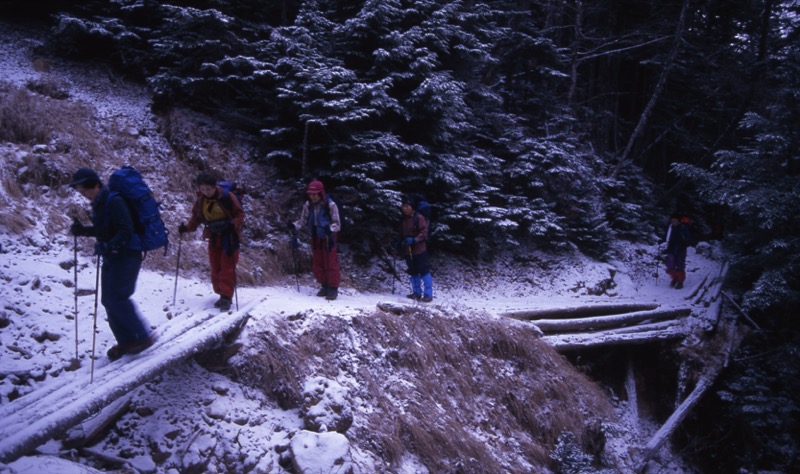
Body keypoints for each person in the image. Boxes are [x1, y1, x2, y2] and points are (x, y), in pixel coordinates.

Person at [68, 167, 155, 360]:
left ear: (95, 185)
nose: (84, 195)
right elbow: (105, 229)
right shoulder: (100, 203)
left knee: (118, 298)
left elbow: (125, 230)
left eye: (85, 190)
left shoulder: (114, 201)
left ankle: (142, 336)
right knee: (108, 300)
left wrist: (108, 245)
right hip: (113, 256)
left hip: (127, 255)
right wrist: (83, 230)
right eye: (81, 192)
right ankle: (127, 340)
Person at [178, 172, 245, 311]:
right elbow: (196, 217)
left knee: (227, 266)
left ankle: (226, 296)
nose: (205, 192)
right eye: (202, 189)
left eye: (208, 189)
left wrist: (232, 225)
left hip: (229, 236)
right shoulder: (201, 200)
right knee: (215, 266)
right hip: (214, 235)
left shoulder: (227, 197)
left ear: (215, 187)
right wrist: (186, 228)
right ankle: (221, 293)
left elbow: (240, 214)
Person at [293, 180, 341, 300]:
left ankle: (333, 288)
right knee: (318, 262)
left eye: (315, 194)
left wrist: (329, 230)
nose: (312, 196)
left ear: (321, 193)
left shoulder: (330, 205)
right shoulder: (308, 205)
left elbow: (337, 224)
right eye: (310, 193)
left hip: (328, 236)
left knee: (330, 261)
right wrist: (294, 226)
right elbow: (302, 221)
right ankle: (324, 285)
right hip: (315, 235)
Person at [398, 195, 433, 302]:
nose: (405, 208)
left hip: (420, 249)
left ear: (412, 207)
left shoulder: (419, 217)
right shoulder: (403, 219)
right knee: (413, 271)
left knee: (424, 271)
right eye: (403, 206)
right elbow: (401, 233)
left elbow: (424, 233)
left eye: (407, 206)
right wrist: (398, 242)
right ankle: (416, 293)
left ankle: (428, 294)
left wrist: (415, 240)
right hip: (408, 249)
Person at [662, 212, 693, 289]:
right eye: (672, 220)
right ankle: (674, 278)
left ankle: (680, 281)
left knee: (680, 266)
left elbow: (689, 239)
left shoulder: (683, 228)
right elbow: (666, 237)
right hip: (671, 249)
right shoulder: (669, 228)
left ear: (678, 221)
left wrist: (685, 242)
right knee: (670, 265)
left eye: (675, 220)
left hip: (681, 249)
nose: (673, 222)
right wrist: (661, 240)